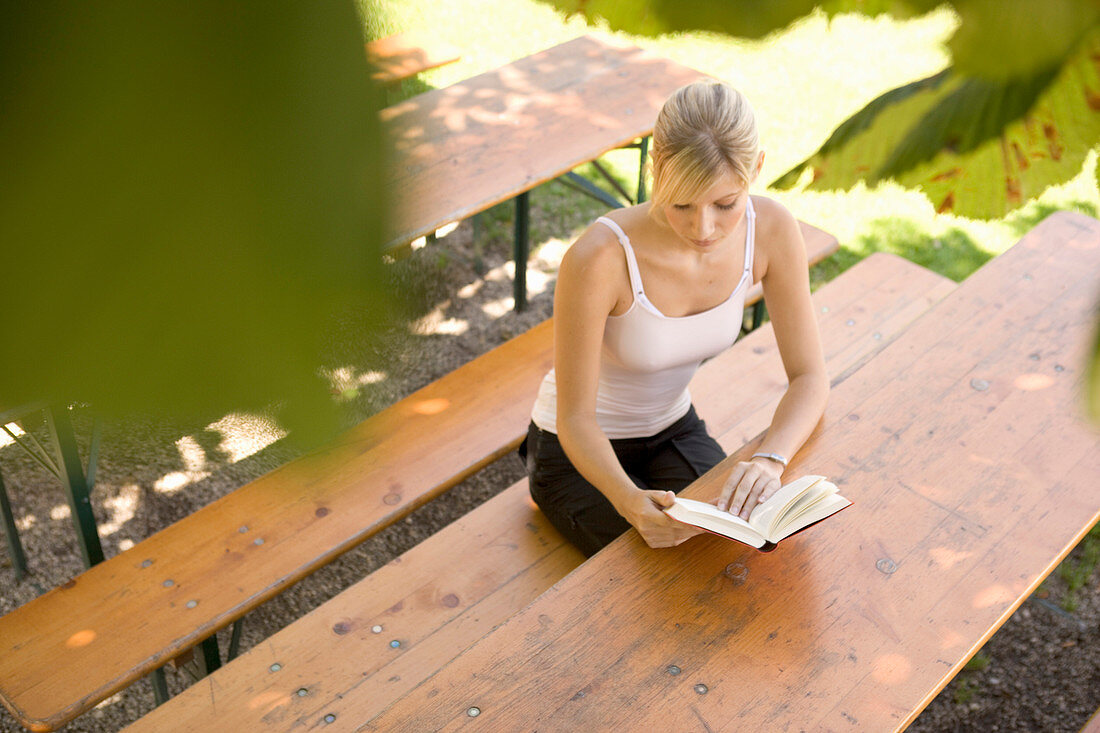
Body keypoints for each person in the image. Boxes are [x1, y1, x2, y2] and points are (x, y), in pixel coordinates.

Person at [520, 80, 829, 557]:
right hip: (575, 452)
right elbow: (576, 418)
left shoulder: (770, 229)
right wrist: (628, 503)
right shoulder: (600, 257)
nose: (703, 228)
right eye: (681, 203)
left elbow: (810, 377)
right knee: (663, 577)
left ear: (758, 169)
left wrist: (770, 459)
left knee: (742, 548)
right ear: (654, 170)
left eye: (725, 204)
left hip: (674, 428)